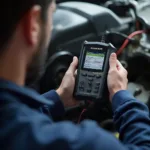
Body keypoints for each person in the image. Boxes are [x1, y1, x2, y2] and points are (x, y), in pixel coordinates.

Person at [0, 0, 150, 150]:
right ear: (33, 25)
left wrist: (58, 98)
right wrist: (121, 96)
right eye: (53, 13)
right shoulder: (83, 143)